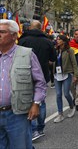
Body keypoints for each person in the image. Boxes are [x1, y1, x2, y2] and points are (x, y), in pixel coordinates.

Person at [0, 19, 47, 148]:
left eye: (2, 32)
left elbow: (40, 83)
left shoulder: (27, 54)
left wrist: (36, 104)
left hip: (17, 114)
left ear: (14, 35)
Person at [18, 20, 56, 141]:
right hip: (42, 74)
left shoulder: (23, 40)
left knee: (29, 102)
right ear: (41, 29)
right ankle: (40, 128)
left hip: (25, 75)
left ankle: (33, 130)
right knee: (41, 101)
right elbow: (53, 58)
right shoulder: (48, 41)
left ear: (30, 28)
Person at [53, 35, 78, 123]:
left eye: (59, 39)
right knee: (58, 94)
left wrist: (76, 75)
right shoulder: (55, 50)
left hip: (66, 74)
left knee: (66, 93)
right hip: (57, 74)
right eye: (57, 39)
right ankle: (60, 114)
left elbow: (74, 63)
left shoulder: (69, 50)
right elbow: (53, 60)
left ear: (64, 41)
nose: (57, 40)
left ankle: (72, 107)